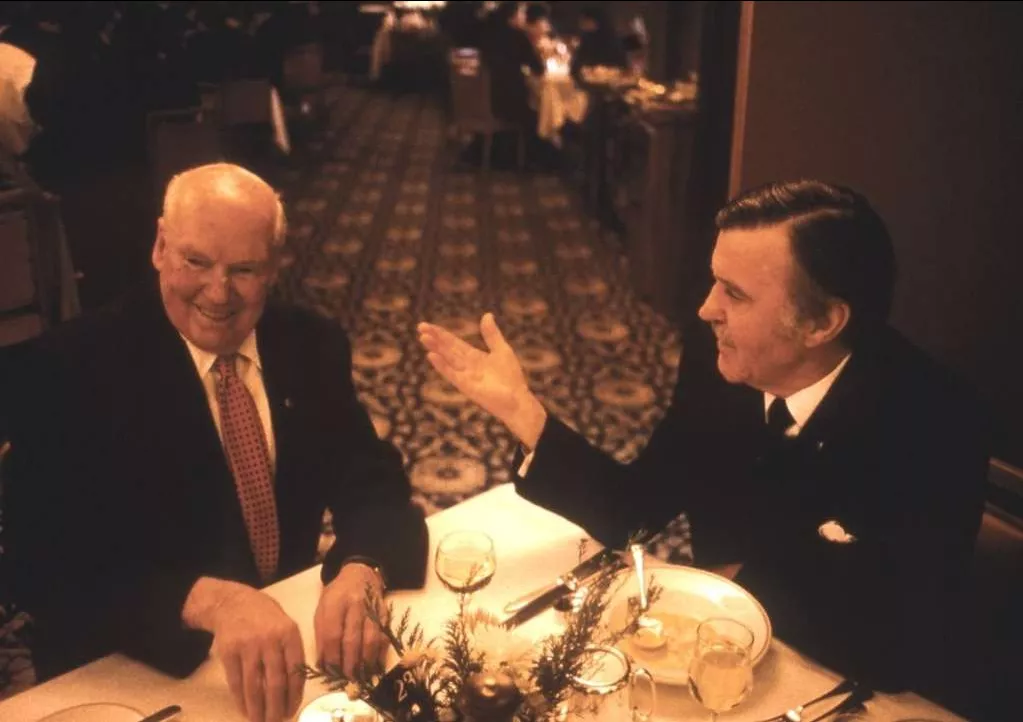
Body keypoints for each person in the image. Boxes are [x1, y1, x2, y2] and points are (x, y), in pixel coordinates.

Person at [418, 180, 989, 698]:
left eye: (734, 295)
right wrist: (525, 413)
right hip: (708, 666)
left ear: (821, 324)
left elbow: (898, 647)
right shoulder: (720, 366)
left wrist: (742, 580)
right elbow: (635, 510)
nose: (704, 309)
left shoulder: (934, 422)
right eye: (714, 282)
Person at [5, 164, 429, 722]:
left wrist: (363, 567)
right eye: (196, 261)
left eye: (245, 269)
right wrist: (209, 601)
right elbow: (42, 566)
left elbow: (374, 482)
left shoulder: (311, 345)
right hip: (130, 678)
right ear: (160, 246)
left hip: (288, 663)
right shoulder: (70, 367)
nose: (218, 292)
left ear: (275, 267)